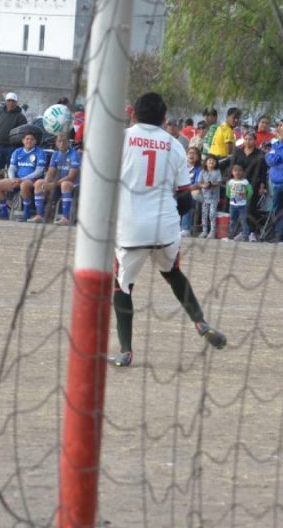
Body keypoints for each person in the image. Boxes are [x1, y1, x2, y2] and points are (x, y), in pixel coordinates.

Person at [108, 92, 226, 368]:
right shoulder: (174, 146)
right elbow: (185, 199)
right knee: (173, 273)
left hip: (131, 227)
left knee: (122, 286)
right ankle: (199, 321)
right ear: (163, 119)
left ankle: (126, 351)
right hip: (166, 226)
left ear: (133, 114)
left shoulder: (121, 139)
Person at [0, 132, 46, 222]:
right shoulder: (17, 151)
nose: (29, 141)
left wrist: (22, 179)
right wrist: (12, 179)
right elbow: (12, 168)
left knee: (24, 185)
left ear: (35, 141)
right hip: (16, 180)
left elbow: (39, 171)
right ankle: (4, 213)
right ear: (23, 141)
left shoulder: (40, 152)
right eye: (27, 139)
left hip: (32, 180)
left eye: (31, 139)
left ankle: (27, 213)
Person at [29, 134, 80, 225]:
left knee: (65, 184)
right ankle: (39, 216)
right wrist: (45, 182)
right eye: (59, 141)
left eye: (64, 141)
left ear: (68, 142)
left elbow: (71, 176)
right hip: (58, 184)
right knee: (38, 183)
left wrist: (53, 184)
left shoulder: (74, 154)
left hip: (73, 185)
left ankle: (65, 218)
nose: (62, 143)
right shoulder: (55, 154)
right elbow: (50, 172)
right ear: (56, 143)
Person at [228, 131, 267, 241]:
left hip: (253, 184)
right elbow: (231, 168)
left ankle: (252, 232)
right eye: (246, 139)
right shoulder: (238, 152)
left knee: (251, 208)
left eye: (250, 139)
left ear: (255, 141)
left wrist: (262, 186)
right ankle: (243, 231)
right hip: (238, 185)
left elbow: (263, 172)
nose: (248, 141)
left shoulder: (260, 154)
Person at [0, 92, 28, 172]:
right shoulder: (0, 113)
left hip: (12, 148)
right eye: (9, 101)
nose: (11, 103)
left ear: (16, 103)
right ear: (6, 102)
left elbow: (23, 134)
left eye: (13, 101)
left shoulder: (21, 117)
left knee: (11, 169)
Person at [225, 164, 253, 241]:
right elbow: (227, 192)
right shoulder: (231, 182)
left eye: (239, 170)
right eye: (235, 170)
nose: (237, 172)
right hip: (233, 205)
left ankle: (245, 234)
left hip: (242, 205)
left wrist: (246, 198)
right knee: (232, 220)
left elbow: (250, 191)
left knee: (243, 220)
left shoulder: (245, 182)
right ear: (232, 172)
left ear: (243, 172)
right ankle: (230, 234)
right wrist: (231, 197)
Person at [180, 146, 202, 237]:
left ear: (198, 157)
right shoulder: (181, 167)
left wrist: (185, 189)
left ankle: (186, 229)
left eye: (194, 153)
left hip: (195, 193)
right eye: (190, 153)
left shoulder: (199, 169)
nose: (192, 155)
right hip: (181, 191)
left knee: (186, 198)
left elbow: (198, 184)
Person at [198, 154, 222, 238]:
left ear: (216, 163)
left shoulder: (217, 171)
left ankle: (212, 231)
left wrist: (212, 184)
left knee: (212, 214)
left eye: (213, 160)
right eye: (209, 160)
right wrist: (204, 185)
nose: (211, 161)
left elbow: (219, 182)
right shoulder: (202, 172)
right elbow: (199, 183)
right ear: (206, 162)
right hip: (204, 197)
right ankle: (204, 231)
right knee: (204, 214)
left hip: (214, 197)